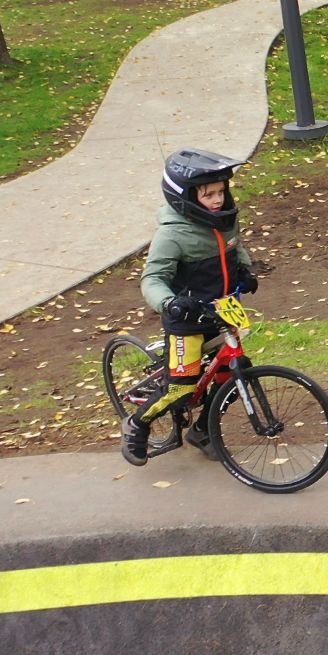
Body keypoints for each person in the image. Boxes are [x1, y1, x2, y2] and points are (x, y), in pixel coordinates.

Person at [121, 150, 259, 466]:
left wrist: (246, 271)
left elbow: (236, 247)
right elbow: (152, 279)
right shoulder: (172, 235)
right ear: (186, 196)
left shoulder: (226, 221)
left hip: (222, 312)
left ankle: (201, 430)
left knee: (235, 374)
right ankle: (137, 424)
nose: (217, 199)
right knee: (180, 390)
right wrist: (169, 303)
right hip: (187, 320)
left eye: (221, 191)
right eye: (208, 194)